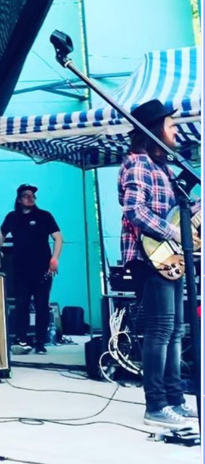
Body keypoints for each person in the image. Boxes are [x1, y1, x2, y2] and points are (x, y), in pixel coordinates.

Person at [118, 98, 199, 428]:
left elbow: (179, 211)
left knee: (175, 330)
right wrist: (173, 233)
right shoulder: (138, 163)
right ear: (154, 130)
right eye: (171, 125)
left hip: (168, 258)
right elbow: (134, 210)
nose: (176, 131)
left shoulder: (163, 168)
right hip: (148, 257)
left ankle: (174, 399)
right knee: (160, 330)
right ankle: (155, 405)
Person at [0, 185, 63, 355]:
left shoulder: (44, 216)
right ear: (19, 199)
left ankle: (40, 342)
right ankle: (21, 339)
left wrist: (54, 258)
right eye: (26, 195)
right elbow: (1, 233)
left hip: (42, 268)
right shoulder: (12, 217)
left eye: (33, 195)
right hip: (20, 269)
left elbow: (58, 238)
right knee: (22, 305)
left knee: (42, 305)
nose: (30, 198)